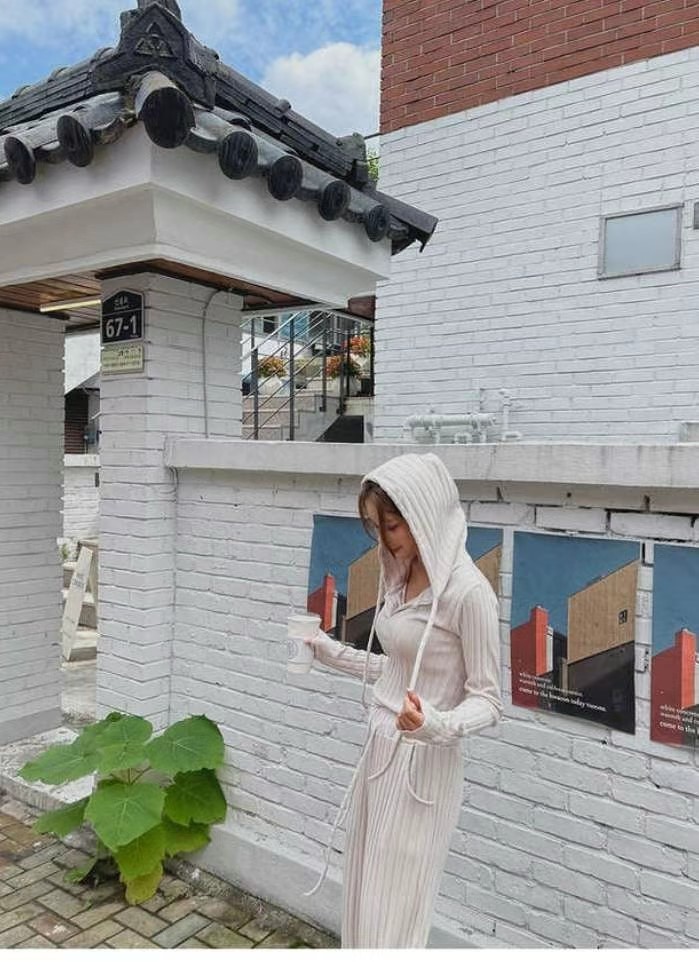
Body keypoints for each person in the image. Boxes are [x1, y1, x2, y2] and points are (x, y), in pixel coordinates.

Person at [302, 452, 502, 948]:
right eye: (377, 528)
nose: (385, 539)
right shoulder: (402, 576)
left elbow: (489, 699)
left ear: (424, 514)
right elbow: (398, 668)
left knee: (396, 904)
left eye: (391, 526)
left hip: (422, 765)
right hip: (380, 750)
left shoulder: (469, 593)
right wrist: (328, 652)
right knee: (364, 889)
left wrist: (435, 724)